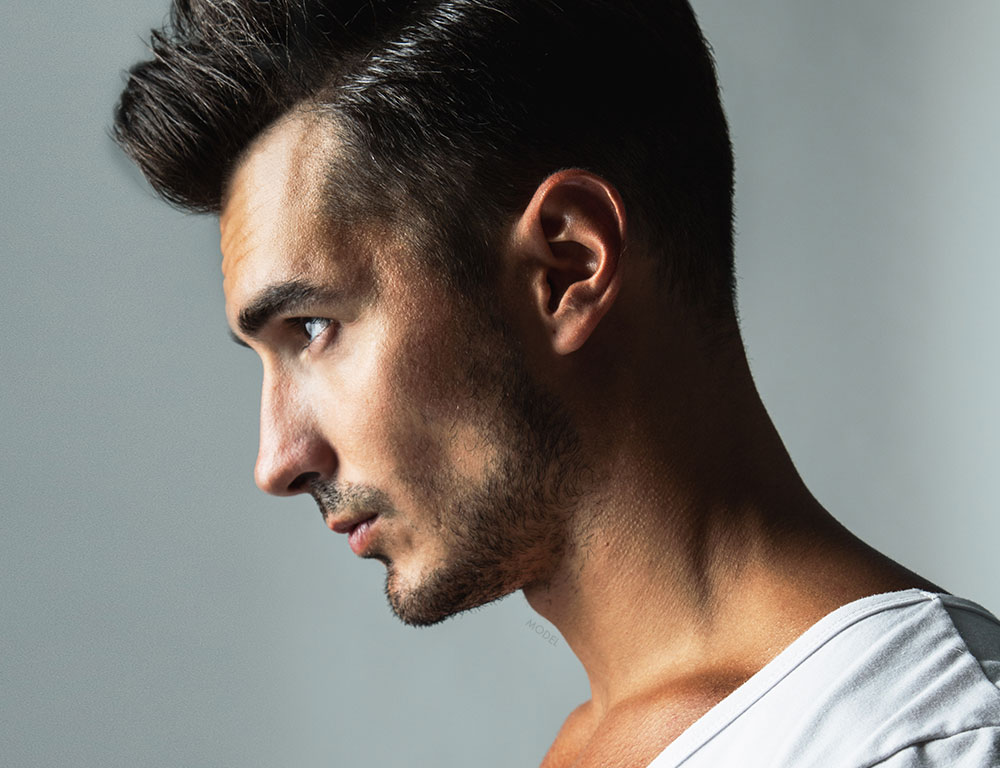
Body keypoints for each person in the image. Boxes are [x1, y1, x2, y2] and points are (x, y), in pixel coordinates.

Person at [113, 1, 1000, 765]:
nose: (278, 459)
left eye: (314, 329)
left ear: (567, 267)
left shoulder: (921, 741)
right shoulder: (602, 740)